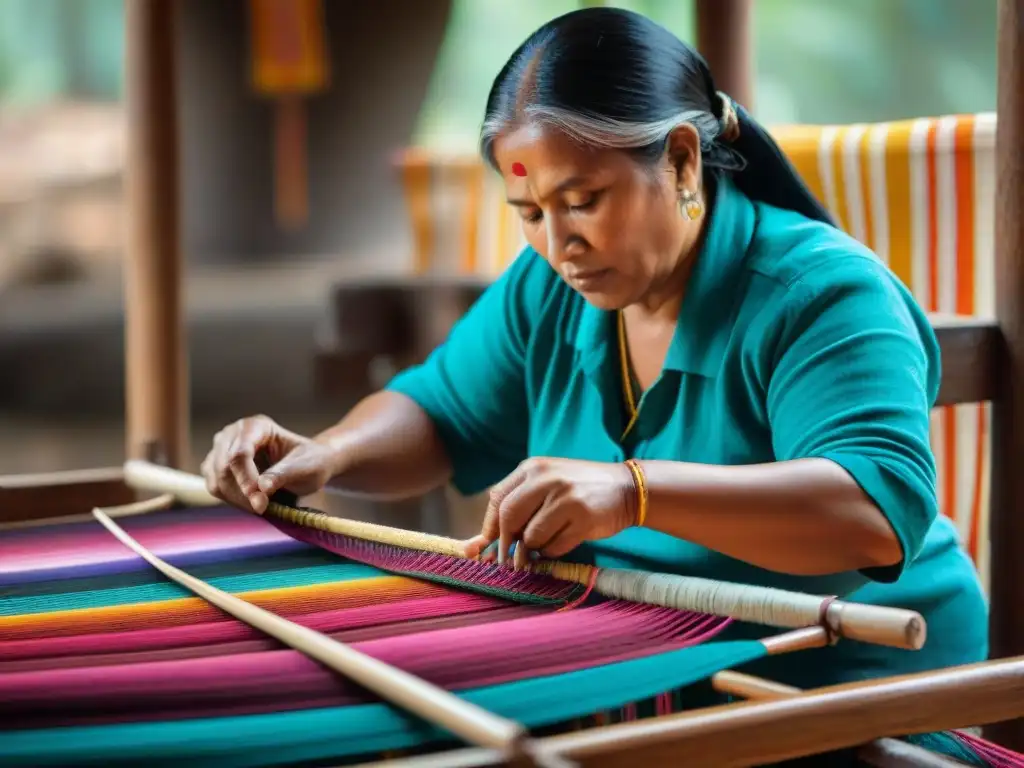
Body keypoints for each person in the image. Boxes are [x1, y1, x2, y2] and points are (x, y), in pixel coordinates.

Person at [203, 4, 985, 717]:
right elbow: (438, 411)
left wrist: (631, 492)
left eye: (583, 201)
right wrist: (325, 454)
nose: (558, 242)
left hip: (859, 678)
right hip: (663, 669)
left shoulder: (819, 293)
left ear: (681, 161)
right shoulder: (551, 289)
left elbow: (873, 515)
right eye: (530, 213)